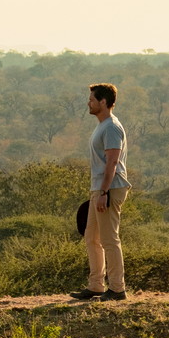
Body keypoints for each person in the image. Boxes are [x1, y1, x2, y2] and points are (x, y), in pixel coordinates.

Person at [70, 83, 131, 301]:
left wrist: (104, 192)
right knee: (91, 238)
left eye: (92, 99)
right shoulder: (102, 125)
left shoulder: (112, 127)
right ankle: (96, 285)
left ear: (103, 102)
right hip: (100, 187)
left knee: (108, 239)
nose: (89, 103)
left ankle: (117, 288)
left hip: (110, 187)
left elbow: (112, 162)